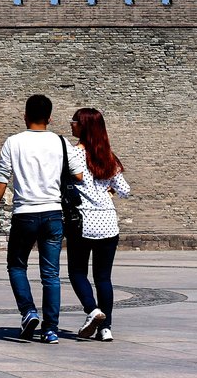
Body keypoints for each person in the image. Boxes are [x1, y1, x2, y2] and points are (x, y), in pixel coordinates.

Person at [0, 94, 84, 344]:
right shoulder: (62, 143)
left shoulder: (13, 142)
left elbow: (2, 178)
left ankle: (28, 311)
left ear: (25, 115)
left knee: (17, 266)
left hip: (24, 214)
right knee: (50, 274)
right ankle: (50, 329)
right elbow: (79, 176)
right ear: (50, 118)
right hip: (53, 214)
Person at [67, 108, 131, 342]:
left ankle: (93, 311)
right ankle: (106, 328)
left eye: (74, 121)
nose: (71, 124)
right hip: (108, 223)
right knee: (103, 278)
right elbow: (125, 190)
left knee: (77, 272)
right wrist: (107, 189)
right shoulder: (108, 157)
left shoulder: (74, 155)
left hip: (83, 222)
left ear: (84, 127)